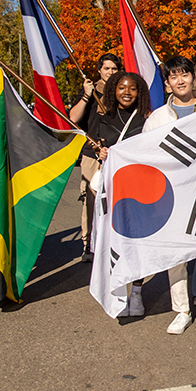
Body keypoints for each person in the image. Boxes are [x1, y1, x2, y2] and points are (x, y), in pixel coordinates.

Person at [141, 56, 196, 335]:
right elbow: (145, 155)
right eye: (173, 77)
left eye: (185, 74)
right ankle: (182, 310)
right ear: (168, 83)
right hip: (174, 196)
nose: (180, 81)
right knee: (177, 256)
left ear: (193, 78)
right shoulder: (158, 118)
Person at [94, 71, 152, 316]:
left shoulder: (147, 120)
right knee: (113, 240)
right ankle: (116, 289)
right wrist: (100, 153)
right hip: (112, 189)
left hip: (139, 190)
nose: (126, 92)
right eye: (121, 87)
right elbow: (92, 146)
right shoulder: (103, 118)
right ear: (113, 91)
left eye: (132, 88)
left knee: (136, 242)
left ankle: (137, 293)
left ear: (139, 92)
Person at [69, 53, 120, 262]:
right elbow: (73, 118)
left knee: (115, 200)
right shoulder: (89, 91)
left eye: (114, 69)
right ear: (99, 70)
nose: (110, 72)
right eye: (106, 68)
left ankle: (112, 242)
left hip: (114, 153)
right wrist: (86, 95)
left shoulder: (121, 91)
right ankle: (87, 244)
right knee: (90, 199)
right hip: (91, 152)